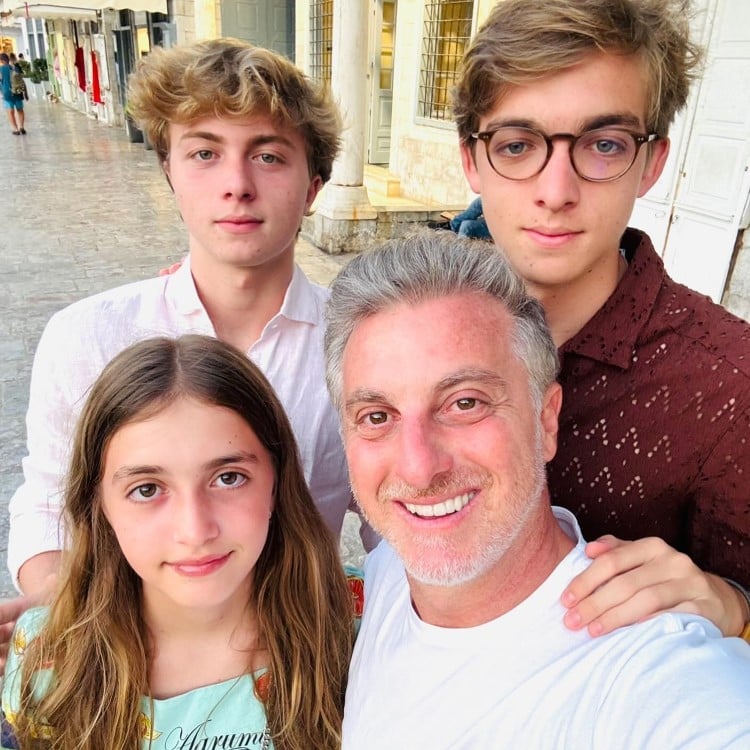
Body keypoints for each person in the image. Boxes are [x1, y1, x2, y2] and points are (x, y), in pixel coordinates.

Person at [2, 38, 374, 666]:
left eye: (268, 155)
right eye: (205, 153)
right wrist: (64, 618)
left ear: (313, 186)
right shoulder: (88, 336)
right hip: (130, 660)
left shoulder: (362, 346)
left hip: (297, 663)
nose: (237, 185)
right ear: (170, 171)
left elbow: (393, 528)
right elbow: (47, 507)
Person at [324, 232, 750, 750]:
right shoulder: (391, 567)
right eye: (376, 416)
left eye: (465, 403)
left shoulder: (648, 674)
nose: (417, 470)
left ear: (546, 421)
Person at [452, 0, 750, 639]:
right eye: (517, 144)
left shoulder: (731, 387)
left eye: (604, 144)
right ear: (472, 160)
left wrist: (732, 606)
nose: (556, 191)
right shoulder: (430, 329)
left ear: (651, 161)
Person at [1, 335, 354, 750]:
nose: (195, 530)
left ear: (276, 483)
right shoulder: (48, 658)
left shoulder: (358, 624)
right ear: (101, 507)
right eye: (147, 489)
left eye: (228, 478)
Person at [0, 53, 25, 135]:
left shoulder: (1, 69)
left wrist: (2, 91)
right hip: (18, 91)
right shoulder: (15, 67)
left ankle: (15, 129)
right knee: (20, 110)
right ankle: (21, 127)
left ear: (2, 61)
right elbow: (22, 79)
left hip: (7, 92)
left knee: (10, 111)